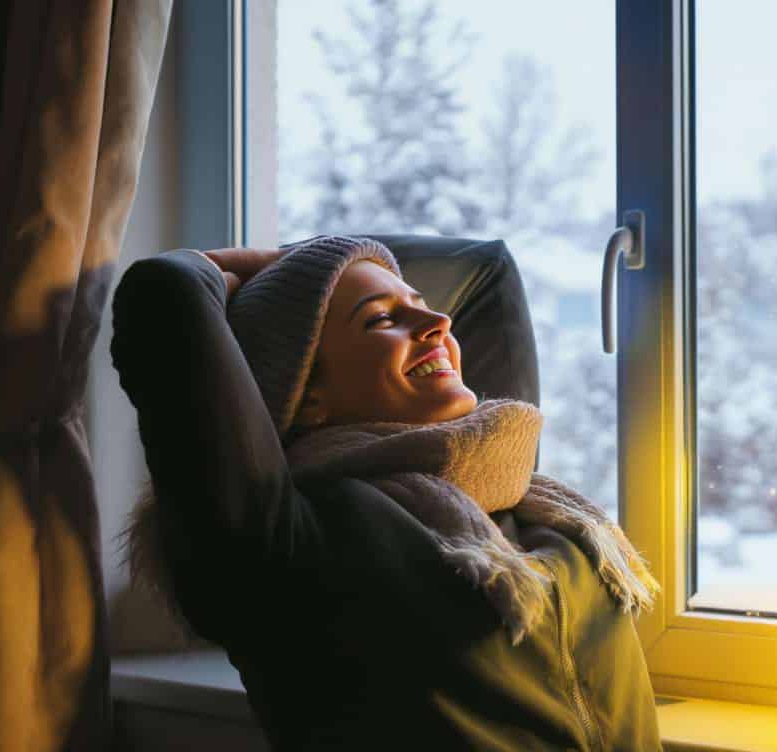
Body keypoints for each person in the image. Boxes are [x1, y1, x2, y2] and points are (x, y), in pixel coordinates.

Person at [110, 235, 662, 750]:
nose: (439, 321)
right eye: (382, 320)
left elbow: (486, 270)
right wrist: (253, 268)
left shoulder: (499, 485)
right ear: (306, 394)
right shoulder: (290, 545)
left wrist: (320, 258)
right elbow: (163, 293)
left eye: (422, 304)